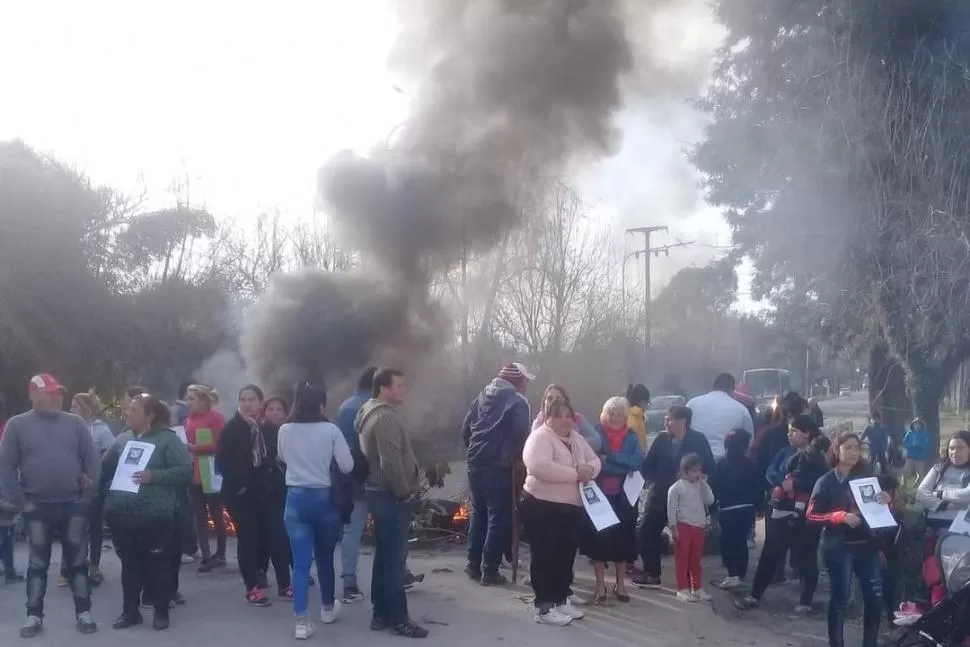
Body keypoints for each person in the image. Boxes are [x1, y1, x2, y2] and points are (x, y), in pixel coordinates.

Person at [0, 373, 100, 637]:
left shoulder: (75, 423)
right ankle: (34, 615)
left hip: (73, 504)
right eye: (51, 393)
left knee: (78, 562)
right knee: (37, 564)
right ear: (34, 395)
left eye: (59, 393)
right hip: (37, 507)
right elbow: (6, 466)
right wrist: (21, 502)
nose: (58, 397)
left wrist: (86, 498)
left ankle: (84, 612)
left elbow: (92, 462)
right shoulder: (17, 425)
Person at [101, 393, 191, 631]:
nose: (127, 413)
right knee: (129, 566)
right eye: (128, 409)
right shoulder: (122, 439)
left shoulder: (167, 440)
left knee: (157, 564)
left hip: (155, 515)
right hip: (122, 514)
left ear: (150, 415)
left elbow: (184, 471)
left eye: (134, 409)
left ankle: (161, 612)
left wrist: (155, 476)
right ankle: (130, 612)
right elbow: (104, 468)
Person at [276, 382, 354, 640]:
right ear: (321, 405)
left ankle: (301, 622)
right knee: (324, 558)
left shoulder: (285, 430)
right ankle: (328, 608)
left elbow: (283, 458)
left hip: (295, 501)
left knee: (299, 564)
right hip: (324, 501)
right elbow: (346, 466)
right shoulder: (331, 430)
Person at [358, 368, 428, 638]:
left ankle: (380, 614)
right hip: (390, 496)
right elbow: (390, 462)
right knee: (395, 560)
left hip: (378, 493)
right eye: (399, 385)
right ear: (383, 388)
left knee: (384, 557)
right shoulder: (385, 416)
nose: (403, 389)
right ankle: (399, 619)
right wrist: (403, 492)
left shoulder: (368, 410)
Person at [521, 399, 601, 626]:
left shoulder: (575, 438)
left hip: (570, 508)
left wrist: (590, 470)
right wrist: (576, 473)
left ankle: (560, 599)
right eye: (559, 416)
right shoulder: (540, 438)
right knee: (546, 557)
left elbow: (594, 460)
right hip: (542, 506)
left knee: (565, 557)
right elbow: (540, 467)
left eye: (569, 416)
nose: (565, 421)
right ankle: (544, 608)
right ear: (549, 418)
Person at [806, 431, 887, 647]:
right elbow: (811, 515)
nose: (853, 452)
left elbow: (879, 512)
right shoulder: (826, 481)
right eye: (848, 447)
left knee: (875, 600)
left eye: (857, 447)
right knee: (841, 599)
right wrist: (838, 516)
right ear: (837, 450)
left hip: (866, 546)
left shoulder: (866, 478)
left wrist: (886, 500)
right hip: (838, 547)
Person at [736, 414, 823, 612]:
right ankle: (754, 595)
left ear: (807, 433)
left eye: (794, 431)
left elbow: (820, 482)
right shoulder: (785, 452)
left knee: (806, 557)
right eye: (789, 431)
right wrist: (782, 482)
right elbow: (770, 471)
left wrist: (797, 484)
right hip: (780, 509)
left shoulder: (817, 456)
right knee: (770, 553)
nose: (789, 435)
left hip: (806, 515)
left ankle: (805, 601)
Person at [216, 385, 291, 606]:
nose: (247, 403)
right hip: (240, 497)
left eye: (252, 399)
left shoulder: (263, 428)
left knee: (275, 538)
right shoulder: (232, 429)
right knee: (248, 540)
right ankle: (253, 588)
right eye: (243, 399)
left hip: (264, 495)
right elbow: (221, 463)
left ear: (260, 402)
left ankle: (285, 584)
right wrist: (240, 485)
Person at [461, 362, 534, 586]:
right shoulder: (517, 400)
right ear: (518, 381)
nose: (527, 385)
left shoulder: (482, 395)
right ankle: (490, 570)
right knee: (498, 517)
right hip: (499, 466)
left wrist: (473, 450)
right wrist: (517, 458)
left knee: (478, 513)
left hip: (475, 461)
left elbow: (466, 428)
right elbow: (522, 433)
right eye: (526, 381)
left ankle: (472, 564)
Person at [633, 405, 715, 589]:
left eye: (670, 419)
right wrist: (658, 480)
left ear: (683, 421)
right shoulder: (662, 440)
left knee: (687, 539)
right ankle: (652, 573)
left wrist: (701, 479)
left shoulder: (698, 440)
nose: (666, 423)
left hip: (688, 499)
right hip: (661, 494)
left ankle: (688, 580)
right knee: (648, 530)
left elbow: (709, 465)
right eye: (666, 419)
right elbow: (647, 467)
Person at [580, 397, 642, 603]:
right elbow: (596, 463)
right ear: (604, 414)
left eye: (619, 414)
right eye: (611, 414)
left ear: (625, 416)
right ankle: (600, 585)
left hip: (624, 497)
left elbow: (637, 462)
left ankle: (621, 585)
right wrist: (618, 464)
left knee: (623, 542)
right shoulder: (595, 433)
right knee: (600, 543)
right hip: (599, 496)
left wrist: (611, 459)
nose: (615, 418)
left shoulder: (632, 436)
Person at [335, 366, 377, 603]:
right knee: (388, 529)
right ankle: (397, 575)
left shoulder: (345, 406)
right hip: (373, 479)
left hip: (350, 479)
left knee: (352, 532)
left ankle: (349, 583)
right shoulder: (371, 408)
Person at [66, 391, 115, 587]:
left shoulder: (101, 430)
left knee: (94, 528)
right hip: (70, 487)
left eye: (75, 406)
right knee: (73, 529)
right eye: (71, 406)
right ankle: (74, 567)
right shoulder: (67, 428)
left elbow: (112, 455)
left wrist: (98, 475)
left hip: (93, 488)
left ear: (86, 408)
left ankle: (94, 566)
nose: (71, 410)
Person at [184, 384, 227, 571]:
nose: (188, 402)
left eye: (191, 398)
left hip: (210, 470)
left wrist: (194, 448)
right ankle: (206, 555)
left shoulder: (216, 419)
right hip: (194, 471)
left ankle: (221, 554)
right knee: (199, 514)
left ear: (202, 400)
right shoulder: (188, 419)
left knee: (216, 512)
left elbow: (220, 445)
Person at [711, 429, 761, 589]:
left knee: (727, 542)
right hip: (747, 509)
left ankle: (733, 575)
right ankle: (740, 574)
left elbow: (713, 487)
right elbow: (758, 487)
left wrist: (711, 509)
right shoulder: (752, 463)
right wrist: (759, 507)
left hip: (727, 509)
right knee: (741, 541)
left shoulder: (720, 463)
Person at [667, 453, 715, 602]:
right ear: (685, 471)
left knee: (696, 559)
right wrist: (673, 528)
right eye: (694, 471)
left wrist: (704, 485)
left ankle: (697, 588)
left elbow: (710, 500)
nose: (697, 474)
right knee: (682, 559)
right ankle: (682, 589)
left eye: (699, 470)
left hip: (699, 526)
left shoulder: (700, 486)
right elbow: (671, 510)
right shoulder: (676, 488)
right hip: (683, 525)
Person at [687, 373, 755, 459]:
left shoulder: (692, 404)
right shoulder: (741, 409)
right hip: (727, 462)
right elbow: (750, 443)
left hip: (695, 462)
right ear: (733, 389)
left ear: (713, 386)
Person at [916, 429, 970, 529]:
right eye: (952, 448)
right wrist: (943, 505)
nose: (955, 452)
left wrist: (938, 494)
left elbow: (967, 495)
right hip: (933, 525)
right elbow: (921, 493)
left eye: (960, 448)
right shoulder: (939, 467)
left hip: (962, 527)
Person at [531, 384, 602, 454]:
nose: (553, 401)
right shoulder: (539, 422)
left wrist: (573, 444)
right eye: (550, 398)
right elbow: (536, 447)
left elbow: (596, 441)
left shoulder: (577, 418)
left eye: (558, 398)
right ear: (544, 402)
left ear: (565, 401)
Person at [626, 384, 650, 452]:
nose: (647, 407)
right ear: (643, 402)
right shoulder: (633, 420)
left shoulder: (637, 417)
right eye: (647, 403)